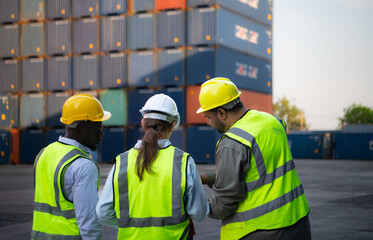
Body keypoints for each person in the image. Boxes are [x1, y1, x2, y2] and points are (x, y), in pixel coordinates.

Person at [197, 77, 311, 240]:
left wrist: (200, 205)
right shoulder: (273, 122)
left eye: (208, 117)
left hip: (259, 230)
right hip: (298, 222)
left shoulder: (231, 142)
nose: (209, 123)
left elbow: (225, 204)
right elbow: (258, 170)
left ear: (221, 113)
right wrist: (208, 178)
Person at [96, 93, 209, 240]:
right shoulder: (183, 162)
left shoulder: (122, 162)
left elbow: (103, 213)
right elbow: (199, 213)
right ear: (173, 124)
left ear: (143, 122)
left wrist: (130, 225)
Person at [31, 94, 111, 240]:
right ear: (79, 130)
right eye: (97, 128)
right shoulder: (84, 166)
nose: (101, 134)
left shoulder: (43, 154)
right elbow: (90, 224)